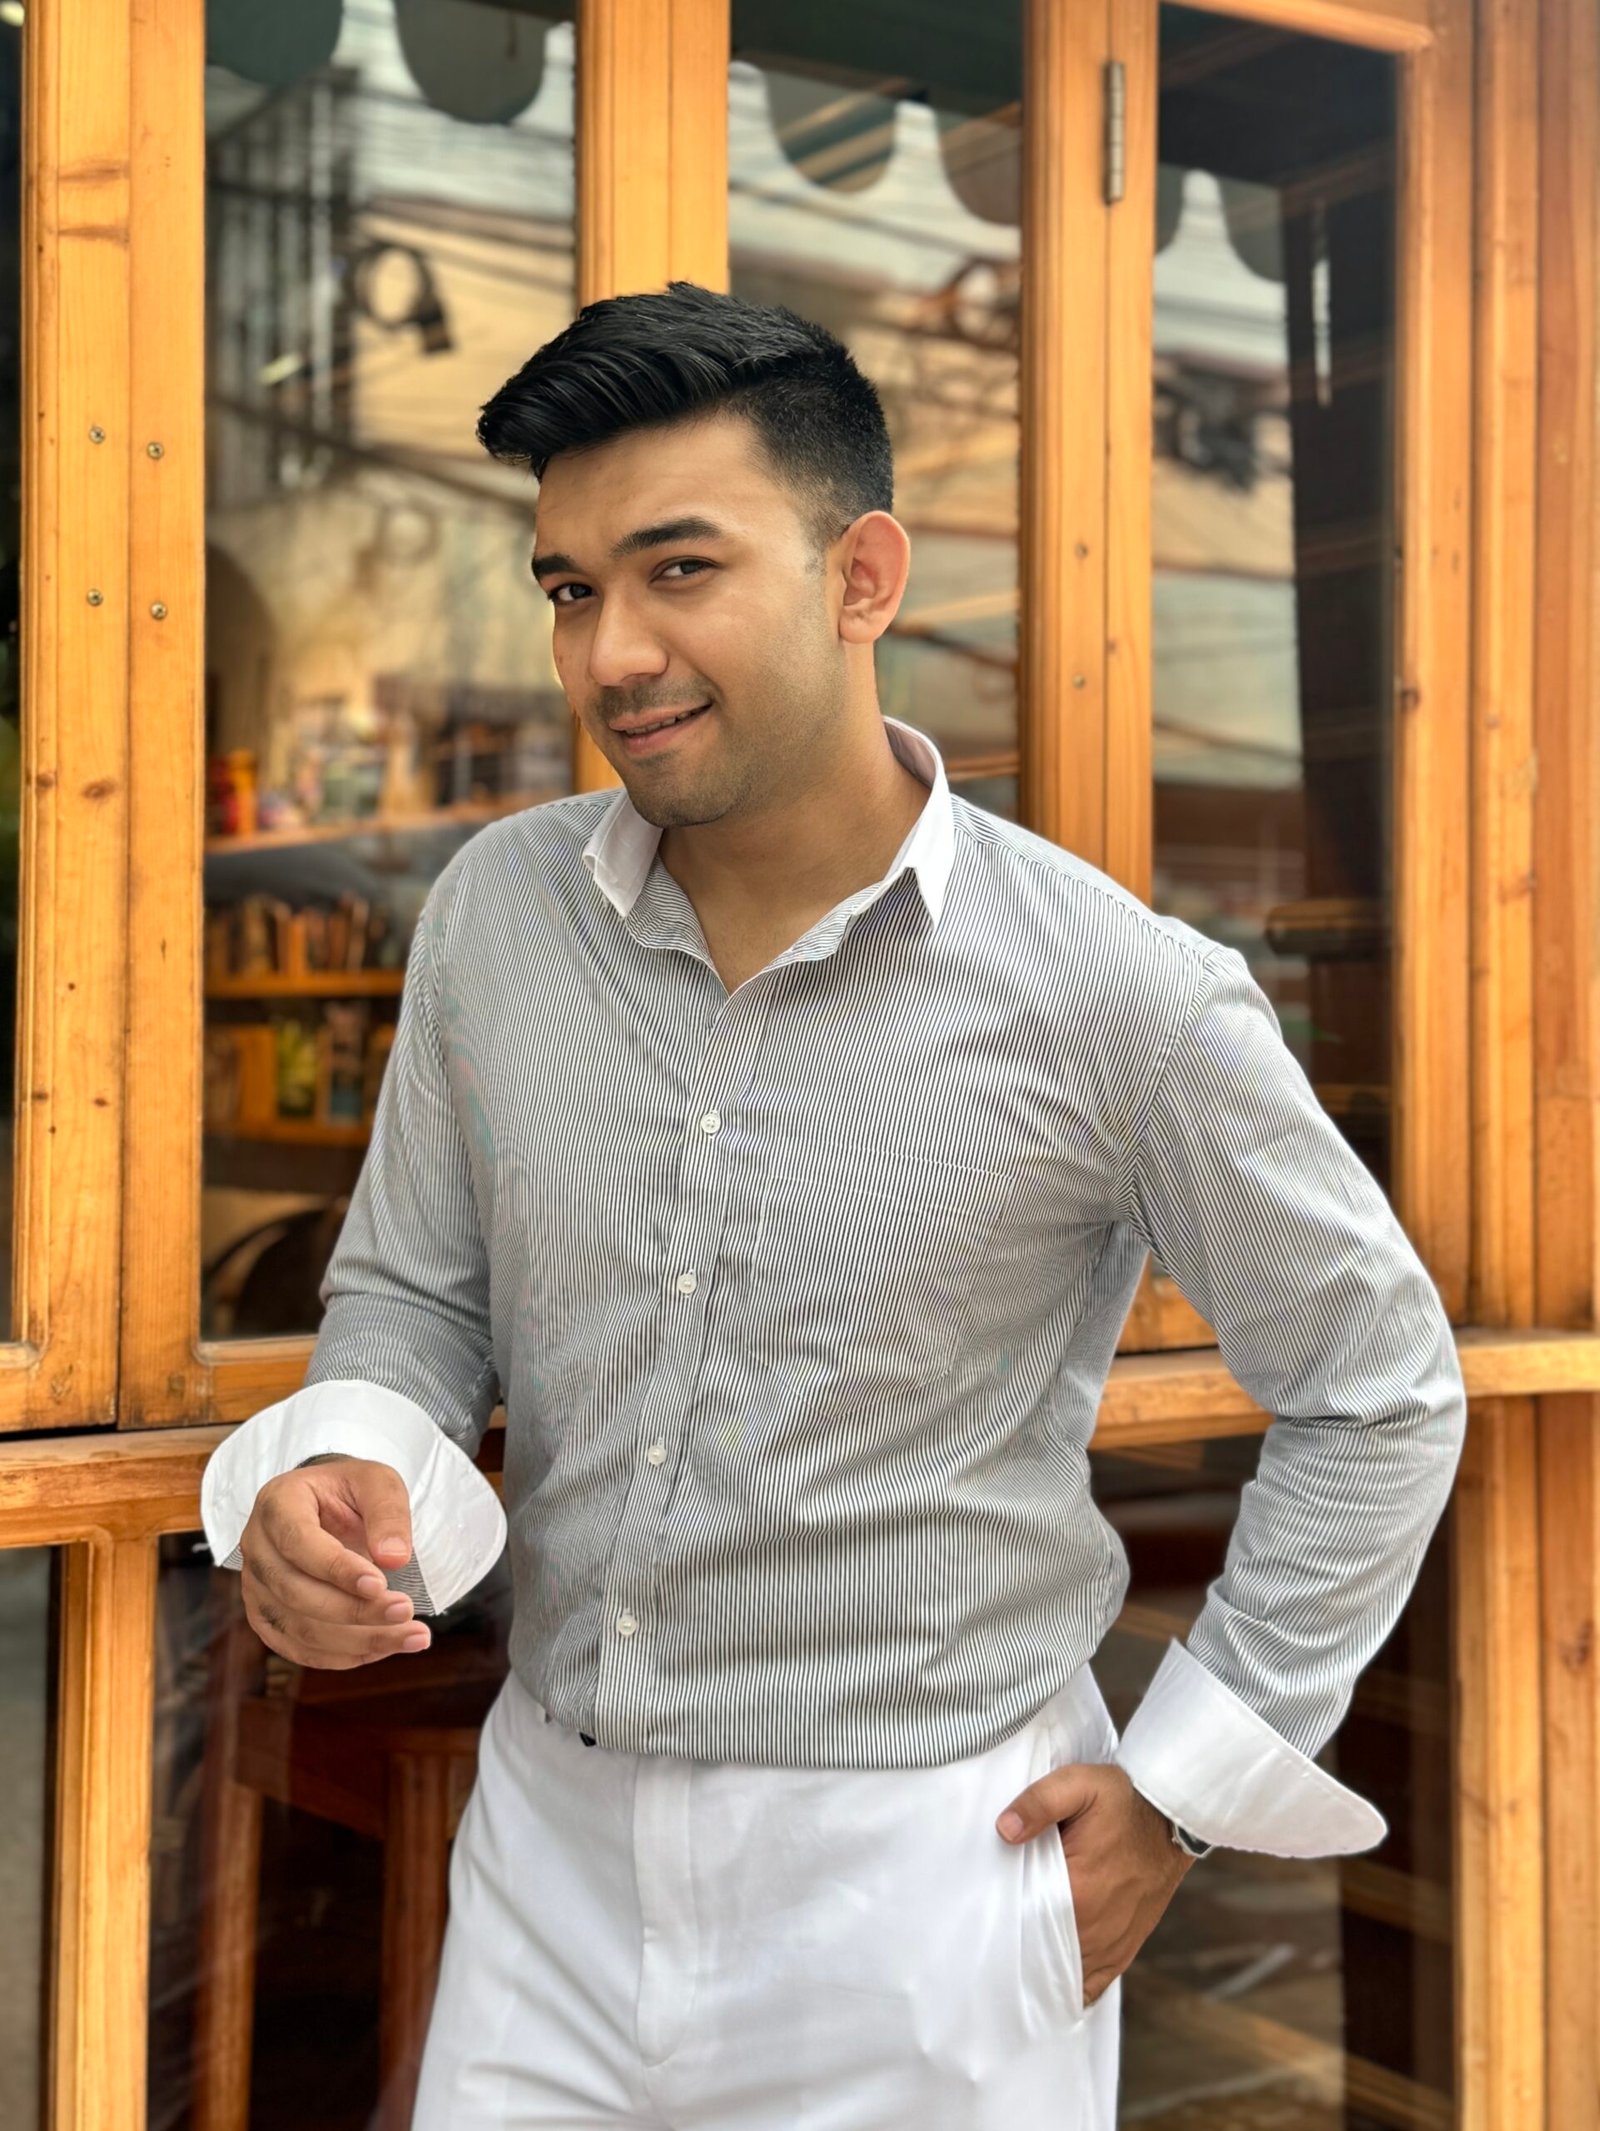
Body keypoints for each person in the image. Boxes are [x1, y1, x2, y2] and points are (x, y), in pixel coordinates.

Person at [199, 281, 1468, 2130]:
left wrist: (1186, 1789)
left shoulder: (1123, 997)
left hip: (935, 1885)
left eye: (679, 569)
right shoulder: (493, 914)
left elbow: (1380, 1387)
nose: (611, 651)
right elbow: (411, 1294)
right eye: (570, 589)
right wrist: (344, 1473)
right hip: (543, 1840)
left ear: (862, 576)